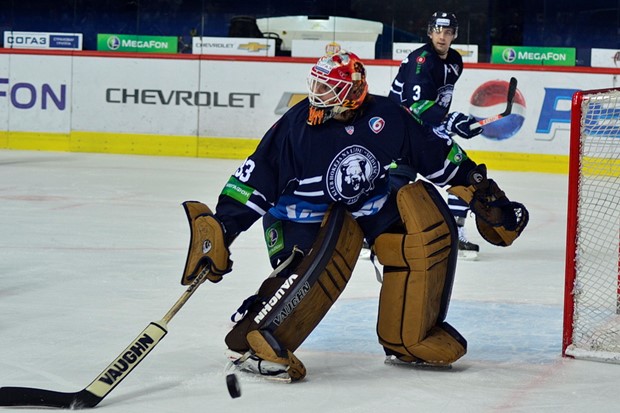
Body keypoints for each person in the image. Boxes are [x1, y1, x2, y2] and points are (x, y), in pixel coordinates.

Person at [180, 51, 528, 382]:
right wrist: (223, 228)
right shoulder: (297, 129)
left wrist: (485, 193)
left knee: (422, 233)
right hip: (299, 214)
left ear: (352, 93)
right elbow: (254, 179)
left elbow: (437, 154)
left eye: (328, 88)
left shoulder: (388, 116)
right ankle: (259, 330)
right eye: (316, 85)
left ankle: (410, 337)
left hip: (365, 202)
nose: (317, 94)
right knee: (318, 261)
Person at [389, 11, 483, 259]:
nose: (442, 36)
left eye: (448, 32)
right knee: (396, 184)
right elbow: (416, 105)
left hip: (428, 132)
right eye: (438, 31)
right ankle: (375, 236)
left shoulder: (455, 61)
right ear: (430, 32)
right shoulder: (422, 61)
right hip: (402, 134)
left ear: (455, 35)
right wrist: (449, 120)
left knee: (466, 174)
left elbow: (439, 101)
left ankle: (457, 234)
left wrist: (456, 123)